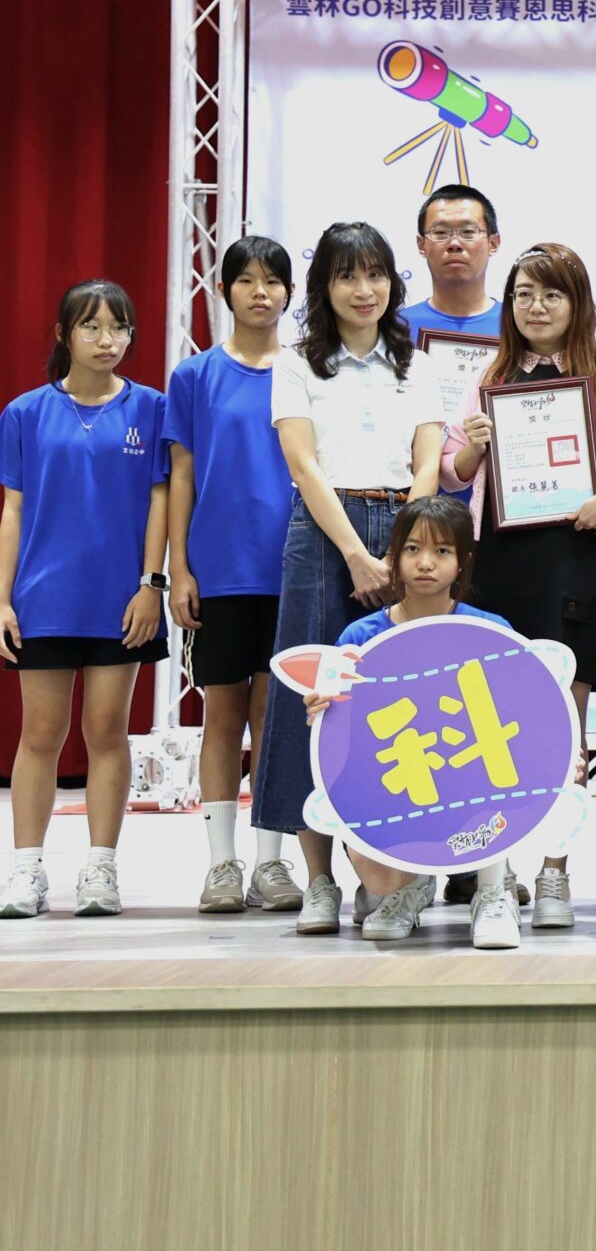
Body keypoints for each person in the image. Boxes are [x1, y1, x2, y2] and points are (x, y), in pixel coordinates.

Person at [442, 242, 596, 929]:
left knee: (565, 720)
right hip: (499, 561)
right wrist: (473, 446)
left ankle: (554, 870)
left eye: (551, 294)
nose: (536, 307)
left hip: (575, 557)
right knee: (491, 721)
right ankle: (494, 871)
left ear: (576, 304)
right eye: (524, 294)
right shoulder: (488, 377)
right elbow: (450, 470)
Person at [261, 221, 445, 937]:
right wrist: (356, 555)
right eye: (347, 276)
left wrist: (403, 548)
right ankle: (318, 879)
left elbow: (427, 460)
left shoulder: (416, 363)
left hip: (404, 527)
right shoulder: (295, 363)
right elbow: (303, 464)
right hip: (322, 532)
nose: (363, 290)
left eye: (375, 275)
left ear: (393, 283)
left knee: (403, 701)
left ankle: (395, 871)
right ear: (324, 287)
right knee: (313, 699)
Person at [0, 281, 170, 921]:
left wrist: (151, 584)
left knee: (106, 730)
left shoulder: (151, 408)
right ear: (63, 334)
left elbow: (160, 499)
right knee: (41, 733)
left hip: (122, 601)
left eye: (119, 328)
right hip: (43, 598)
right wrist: (2, 600)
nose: (107, 341)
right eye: (92, 327)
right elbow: (12, 512)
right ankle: (26, 869)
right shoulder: (25, 413)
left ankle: (101, 868)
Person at [301, 495, 518, 947]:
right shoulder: (360, 637)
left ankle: (493, 890)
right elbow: (341, 741)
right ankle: (409, 888)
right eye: (413, 549)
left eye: (442, 551)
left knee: (496, 761)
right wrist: (321, 714)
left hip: (470, 775)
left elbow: (523, 717)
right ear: (394, 556)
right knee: (380, 877)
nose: (426, 563)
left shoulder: (491, 631)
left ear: (463, 561)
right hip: (399, 776)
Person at [166, 237, 303, 915]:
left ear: (289, 294)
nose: (260, 292)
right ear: (223, 290)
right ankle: (221, 862)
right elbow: (181, 475)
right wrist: (178, 567)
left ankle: (270, 862)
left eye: (272, 281)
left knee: (274, 717)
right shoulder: (194, 376)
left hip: (294, 566)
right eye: (246, 280)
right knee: (222, 714)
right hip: (219, 570)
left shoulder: (306, 371)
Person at [403, 184, 505, 338]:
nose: (455, 244)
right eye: (440, 232)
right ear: (421, 244)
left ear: (493, 243)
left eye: (468, 231)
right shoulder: (396, 328)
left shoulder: (518, 324)